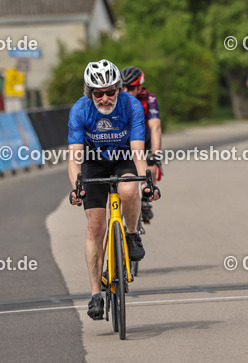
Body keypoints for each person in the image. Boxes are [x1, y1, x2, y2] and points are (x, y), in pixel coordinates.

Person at [67, 59, 160, 321]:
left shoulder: (131, 106)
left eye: (110, 91)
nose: (105, 98)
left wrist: (146, 181)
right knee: (95, 228)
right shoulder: (80, 110)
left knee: (129, 190)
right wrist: (76, 186)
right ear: (90, 93)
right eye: (99, 93)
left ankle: (131, 234)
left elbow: (137, 150)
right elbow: (74, 157)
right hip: (93, 163)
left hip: (123, 159)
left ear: (118, 89)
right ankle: (96, 294)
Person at [121, 66, 162, 224]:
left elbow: (155, 127)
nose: (126, 91)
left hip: (144, 140)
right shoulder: (117, 99)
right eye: (123, 87)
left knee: (150, 167)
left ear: (139, 87)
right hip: (125, 142)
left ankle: (146, 199)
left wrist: (155, 154)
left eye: (131, 88)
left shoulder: (149, 98)